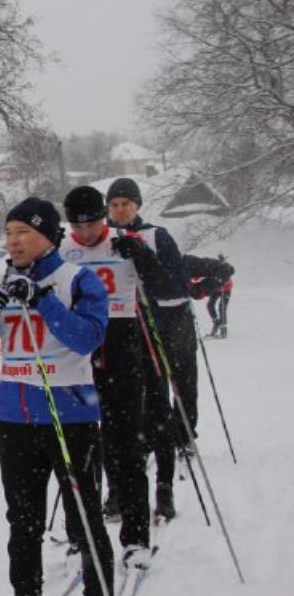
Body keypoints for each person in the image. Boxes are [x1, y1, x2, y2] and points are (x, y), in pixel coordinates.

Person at [0, 197, 115, 596]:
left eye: (22, 232)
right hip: (16, 417)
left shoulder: (76, 279)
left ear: (48, 235)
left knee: (84, 519)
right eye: (8, 233)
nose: (13, 242)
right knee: (22, 524)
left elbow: (88, 337)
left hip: (70, 415)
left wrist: (45, 301)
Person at [60, 185, 169, 569]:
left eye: (94, 224)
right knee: (81, 450)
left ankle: (136, 537)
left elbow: (165, 288)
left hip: (121, 348)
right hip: (78, 356)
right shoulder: (62, 251)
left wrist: (143, 256)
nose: (87, 232)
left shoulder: (126, 241)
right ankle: (81, 533)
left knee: (126, 447)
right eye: (79, 225)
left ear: (105, 217)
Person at [106, 177, 194, 519]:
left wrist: (143, 257)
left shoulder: (156, 236)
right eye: (114, 205)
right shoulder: (102, 239)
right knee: (114, 418)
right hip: (114, 337)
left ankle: (164, 487)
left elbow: (177, 287)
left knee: (159, 412)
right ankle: (115, 490)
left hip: (151, 332)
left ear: (138, 206)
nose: (120, 210)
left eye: (126, 203)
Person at [186, 254, 234, 339]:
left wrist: (220, 282)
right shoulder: (216, 267)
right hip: (216, 290)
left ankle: (223, 329)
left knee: (222, 307)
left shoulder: (226, 270)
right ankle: (216, 322)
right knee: (210, 305)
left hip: (226, 290)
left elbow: (223, 280)